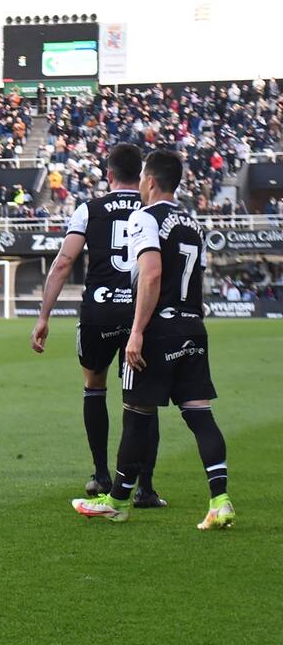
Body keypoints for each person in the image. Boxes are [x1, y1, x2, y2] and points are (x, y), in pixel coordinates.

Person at [73, 150, 235, 529]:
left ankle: (116, 501)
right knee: (200, 416)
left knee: (136, 416)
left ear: (149, 181)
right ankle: (220, 500)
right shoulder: (193, 223)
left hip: (158, 331)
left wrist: (137, 331)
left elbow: (150, 275)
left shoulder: (144, 218)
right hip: (192, 327)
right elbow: (195, 281)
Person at [31, 143, 165, 507]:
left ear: (108, 175)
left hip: (100, 310)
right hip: (141, 311)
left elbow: (62, 263)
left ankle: (101, 474)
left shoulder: (89, 210)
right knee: (141, 399)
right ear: (140, 176)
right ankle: (145, 488)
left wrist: (44, 316)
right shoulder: (151, 209)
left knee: (95, 386)